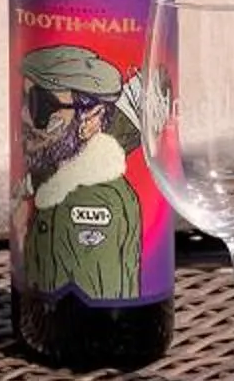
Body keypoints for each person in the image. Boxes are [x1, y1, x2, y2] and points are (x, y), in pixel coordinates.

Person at [17, 44, 147, 305]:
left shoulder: (99, 201)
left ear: (92, 118)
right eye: (23, 100)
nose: (24, 117)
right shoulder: (46, 184)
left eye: (41, 106)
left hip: (105, 325)